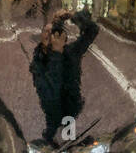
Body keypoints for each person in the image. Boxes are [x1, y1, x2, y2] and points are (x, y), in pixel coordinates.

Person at [30, 8, 98, 144]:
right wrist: (56, 54)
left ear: (62, 37)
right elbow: (50, 92)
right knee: (51, 134)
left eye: (53, 32)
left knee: (68, 141)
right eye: (46, 31)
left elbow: (92, 31)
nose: (50, 34)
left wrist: (74, 16)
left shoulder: (72, 52)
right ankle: (49, 140)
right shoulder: (37, 62)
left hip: (70, 109)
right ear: (41, 37)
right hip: (52, 111)